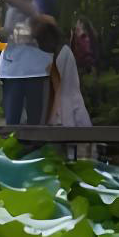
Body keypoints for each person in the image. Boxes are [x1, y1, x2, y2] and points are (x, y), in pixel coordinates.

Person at [42, 17, 92, 156]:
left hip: (65, 102)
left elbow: (57, 80)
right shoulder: (61, 52)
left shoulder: (62, 53)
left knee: (67, 147)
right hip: (67, 102)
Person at [0, 13, 55, 126]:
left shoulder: (41, 3)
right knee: (12, 121)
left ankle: (35, 143)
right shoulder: (8, 5)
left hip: (38, 71)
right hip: (13, 72)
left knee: (36, 120)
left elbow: (49, 28)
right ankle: (13, 143)